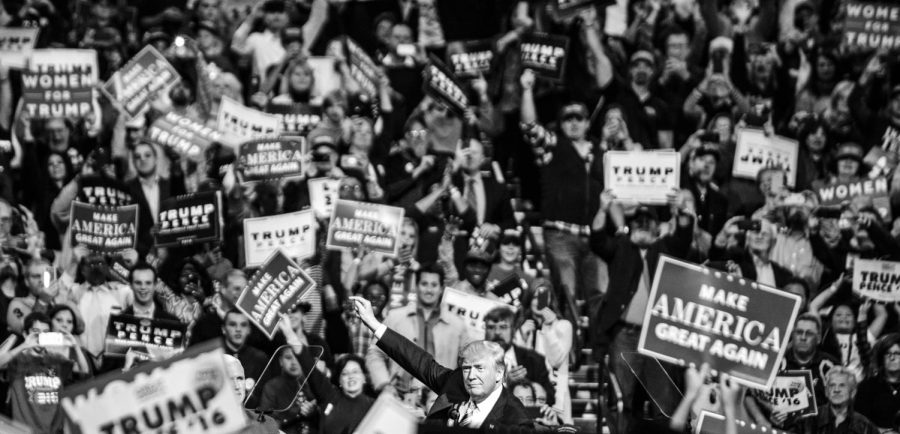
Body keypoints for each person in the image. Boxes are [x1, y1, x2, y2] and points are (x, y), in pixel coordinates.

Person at [589, 193, 695, 430]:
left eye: (648, 222)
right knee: (622, 400)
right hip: (625, 335)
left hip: (659, 336)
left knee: (664, 401)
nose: (642, 225)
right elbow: (596, 240)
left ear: (659, 227)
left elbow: (684, 236)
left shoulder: (666, 247)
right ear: (630, 225)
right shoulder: (620, 247)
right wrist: (603, 209)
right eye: (638, 221)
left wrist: (683, 212)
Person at [351, 295, 532, 429]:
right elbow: (413, 358)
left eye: (480, 368)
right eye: (467, 368)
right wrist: (373, 323)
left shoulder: (515, 417)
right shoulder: (455, 381)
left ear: (499, 373)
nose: (471, 376)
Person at [366, 264, 472, 397]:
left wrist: (456, 392)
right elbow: (375, 353)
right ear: (416, 286)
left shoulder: (457, 325)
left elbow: (469, 362)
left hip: (440, 401)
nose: (429, 290)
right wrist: (383, 385)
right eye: (424, 284)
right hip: (398, 396)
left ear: (441, 289)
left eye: (434, 285)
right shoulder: (396, 317)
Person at [279, 319, 374, 434]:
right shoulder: (329, 395)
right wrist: (290, 333)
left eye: (355, 372)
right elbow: (308, 364)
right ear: (339, 380)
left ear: (364, 378)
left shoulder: (374, 406)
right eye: (345, 373)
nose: (350, 376)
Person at [0, 312, 81, 433]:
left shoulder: (56, 358)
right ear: (25, 333)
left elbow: (83, 370)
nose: (40, 336)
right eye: (36, 331)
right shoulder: (17, 359)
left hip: (54, 430)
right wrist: (24, 345)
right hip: (24, 430)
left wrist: (75, 346)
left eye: (45, 332)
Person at [482, 306, 554, 408]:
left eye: (503, 327)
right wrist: (504, 383)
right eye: (491, 327)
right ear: (485, 331)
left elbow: (550, 398)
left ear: (514, 329)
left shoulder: (534, 360)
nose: (497, 332)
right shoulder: (474, 362)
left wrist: (528, 389)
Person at [804, 366, 880, 434]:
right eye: (832, 385)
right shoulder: (808, 421)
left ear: (853, 392)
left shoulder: (865, 427)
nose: (836, 390)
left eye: (842, 385)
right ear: (826, 392)